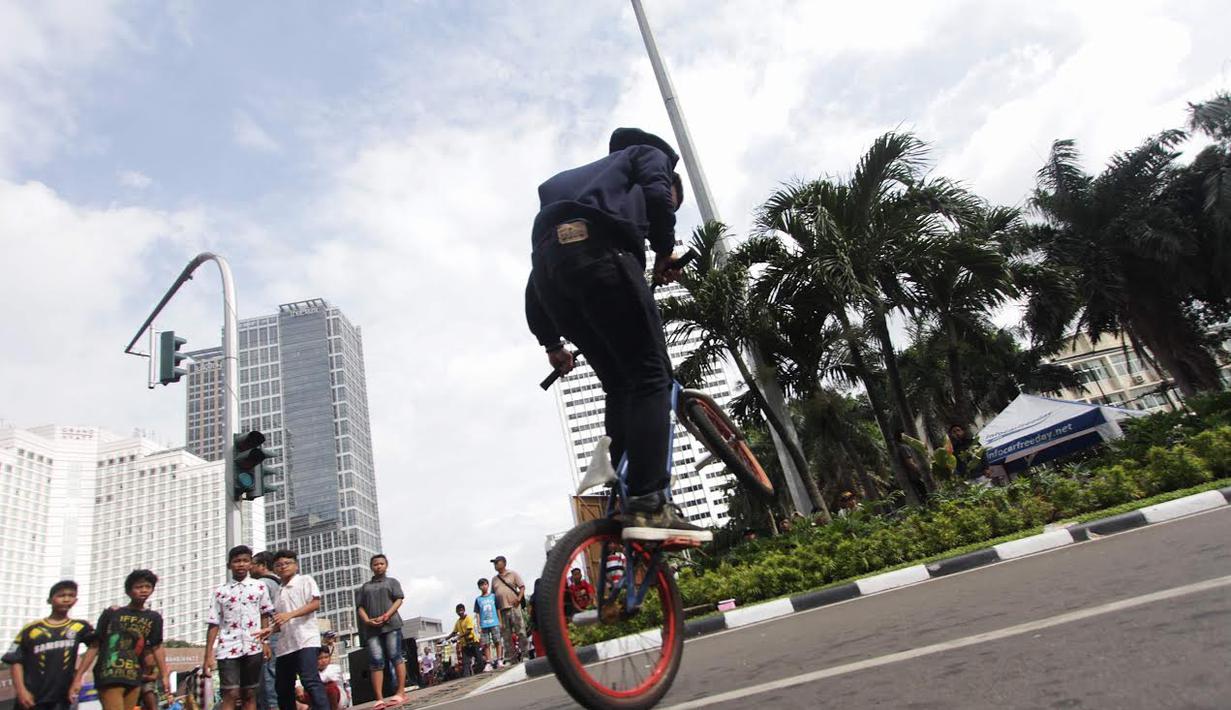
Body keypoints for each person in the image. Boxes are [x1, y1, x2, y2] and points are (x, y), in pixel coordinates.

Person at [523, 127, 710, 542]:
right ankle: (649, 501)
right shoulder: (646, 156)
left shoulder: (573, 193)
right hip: (602, 258)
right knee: (650, 378)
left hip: (554, 278)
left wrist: (552, 344)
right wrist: (664, 249)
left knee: (620, 385)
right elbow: (661, 199)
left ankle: (623, 488)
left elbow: (535, 281)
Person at [74, 570, 170, 710]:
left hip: (134, 675)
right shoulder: (112, 613)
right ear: (128, 591)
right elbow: (95, 645)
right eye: (139, 587)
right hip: (109, 673)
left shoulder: (154, 617)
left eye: (148, 587)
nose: (144, 590)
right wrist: (79, 676)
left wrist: (164, 676)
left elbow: (157, 647)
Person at [3, 580, 95, 710]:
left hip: (61, 698)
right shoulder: (31, 629)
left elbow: (95, 646)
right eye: (61, 595)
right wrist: (21, 691)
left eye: (71, 595)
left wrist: (78, 677)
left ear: (76, 600)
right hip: (31, 698)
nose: (66, 599)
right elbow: (14, 660)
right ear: (50, 600)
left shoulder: (80, 626)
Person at [205, 546, 275, 710]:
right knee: (230, 693)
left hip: (253, 645)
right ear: (229, 565)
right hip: (228, 647)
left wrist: (265, 642)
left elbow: (264, 614)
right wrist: (208, 654)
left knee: (250, 693)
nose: (241, 565)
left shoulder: (259, 587)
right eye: (237, 561)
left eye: (245, 561)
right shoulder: (220, 591)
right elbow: (213, 622)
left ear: (250, 564)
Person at [259, 550, 328, 710]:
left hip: (305, 639)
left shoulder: (305, 580)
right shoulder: (277, 591)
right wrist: (269, 631)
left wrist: (290, 615)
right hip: (285, 645)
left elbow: (315, 604)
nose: (283, 567)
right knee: (282, 687)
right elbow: (280, 620)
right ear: (274, 569)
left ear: (296, 565)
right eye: (278, 565)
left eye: (287, 563)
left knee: (309, 679)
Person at [354, 554, 406, 709]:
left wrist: (387, 614)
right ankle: (379, 698)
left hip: (391, 624)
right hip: (371, 629)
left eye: (381, 564)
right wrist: (367, 620)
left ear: (386, 565)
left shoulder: (392, 582)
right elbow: (360, 607)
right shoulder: (365, 587)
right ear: (371, 567)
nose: (378, 566)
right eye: (375, 564)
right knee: (376, 661)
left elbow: (399, 599)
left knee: (395, 656)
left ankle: (401, 691)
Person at [250, 552, 281, 710]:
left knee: (267, 675)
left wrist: (264, 641)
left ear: (262, 565)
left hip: (268, 636)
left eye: (253, 563)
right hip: (280, 635)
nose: (249, 566)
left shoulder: (260, 584)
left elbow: (259, 612)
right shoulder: (279, 583)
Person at [489, 557, 526, 665]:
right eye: (494, 563)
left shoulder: (513, 574)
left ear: (504, 563)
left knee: (521, 632)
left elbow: (522, 587)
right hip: (502, 610)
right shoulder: (494, 579)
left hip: (514, 607)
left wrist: (519, 599)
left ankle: (525, 654)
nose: (495, 565)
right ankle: (511, 658)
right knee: (506, 635)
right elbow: (493, 595)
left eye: (497, 562)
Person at [445, 605, 482, 677]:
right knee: (465, 662)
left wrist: (459, 637)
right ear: (456, 612)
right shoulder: (458, 622)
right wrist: (447, 638)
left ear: (464, 610)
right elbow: (454, 632)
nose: (460, 612)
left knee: (478, 658)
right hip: (465, 644)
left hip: (473, 642)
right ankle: (467, 675)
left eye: (461, 610)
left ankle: (481, 671)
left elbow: (469, 631)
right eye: (458, 611)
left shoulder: (468, 618)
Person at [894, 428, 930, 503]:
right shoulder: (904, 447)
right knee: (927, 495)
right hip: (916, 476)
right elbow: (909, 463)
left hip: (915, 476)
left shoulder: (903, 447)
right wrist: (921, 472)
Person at [472, 579, 501, 669]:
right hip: (484, 624)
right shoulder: (478, 599)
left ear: (488, 585)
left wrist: (500, 621)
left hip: (494, 622)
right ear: (479, 587)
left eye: (485, 584)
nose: (483, 586)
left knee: (497, 641)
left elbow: (498, 609)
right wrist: (479, 625)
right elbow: (477, 613)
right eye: (481, 585)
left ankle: (499, 659)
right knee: (486, 644)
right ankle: (488, 662)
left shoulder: (493, 596)